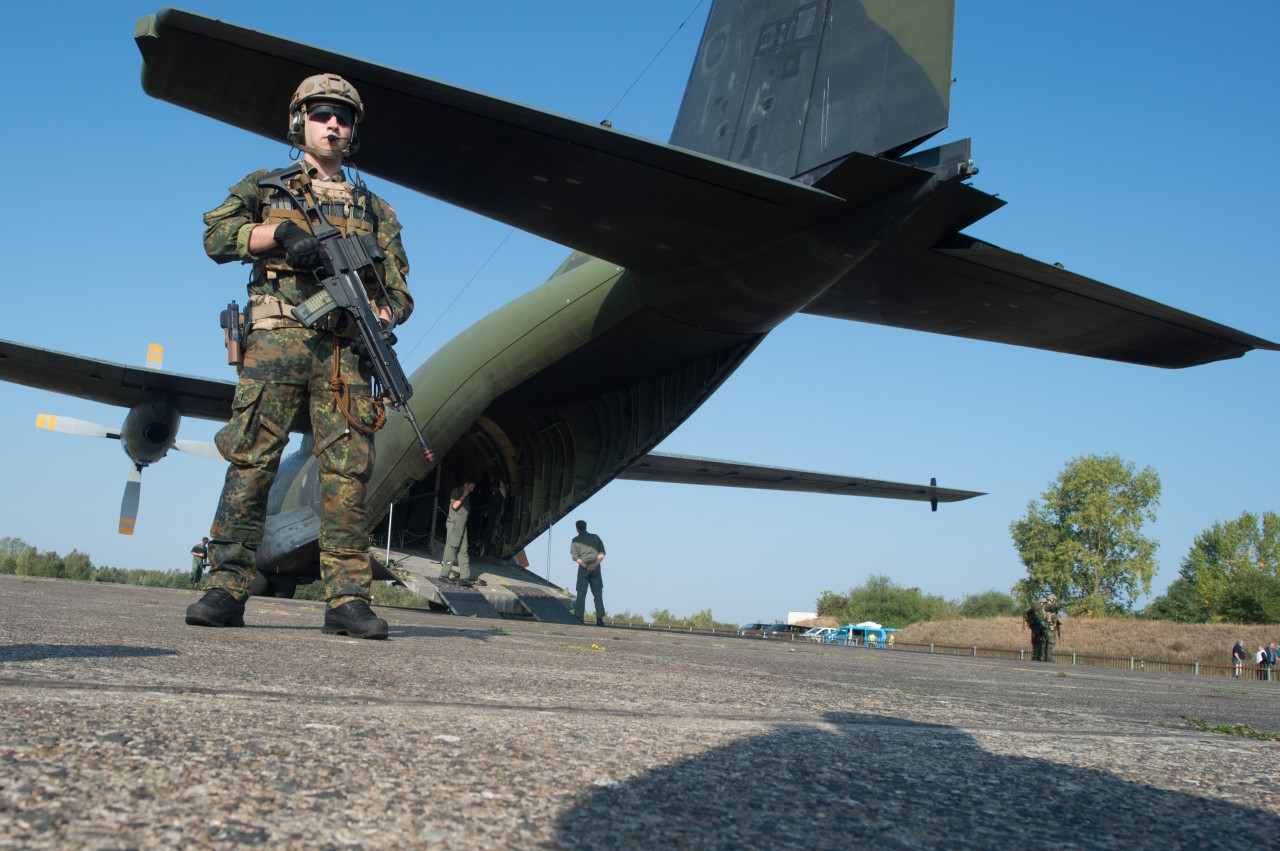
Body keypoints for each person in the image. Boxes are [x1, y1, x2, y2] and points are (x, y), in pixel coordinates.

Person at [185, 73, 413, 640]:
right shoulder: (266, 186)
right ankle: (226, 586)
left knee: (345, 475)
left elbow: (399, 290)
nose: (333, 124)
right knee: (252, 461)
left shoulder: (376, 208)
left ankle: (347, 600)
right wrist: (280, 235)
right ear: (299, 122)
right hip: (278, 342)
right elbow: (216, 237)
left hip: (345, 355)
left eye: (343, 117)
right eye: (322, 114)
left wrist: (381, 318)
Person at [439, 479, 480, 585]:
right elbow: (455, 506)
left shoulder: (467, 495)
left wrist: (467, 494)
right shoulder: (456, 492)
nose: (471, 490)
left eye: (473, 488)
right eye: (470, 487)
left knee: (463, 551)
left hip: (462, 526)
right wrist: (465, 494)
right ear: (466, 485)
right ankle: (444, 575)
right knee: (451, 549)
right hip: (455, 525)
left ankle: (464, 577)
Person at [569, 520, 606, 625]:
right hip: (596, 568)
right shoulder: (596, 537)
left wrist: (586, 566)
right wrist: (595, 564)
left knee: (581, 593)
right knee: (598, 594)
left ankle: (579, 618)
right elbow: (602, 553)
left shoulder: (575, 540)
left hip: (584, 569)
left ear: (577, 528)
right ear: (586, 527)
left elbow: (576, 557)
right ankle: (599, 619)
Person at [477, 480, 505, 557]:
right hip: (491, 518)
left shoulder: (498, 497)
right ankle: (486, 552)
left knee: (488, 535)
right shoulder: (495, 495)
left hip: (493, 519)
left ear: (495, 487)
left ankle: (487, 552)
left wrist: (487, 511)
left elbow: (496, 508)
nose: (490, 487)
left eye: (492, 486)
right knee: (486, 534)